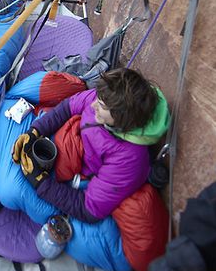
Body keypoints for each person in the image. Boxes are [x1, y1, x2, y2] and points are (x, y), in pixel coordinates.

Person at [12, 68, 170, 223]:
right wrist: (36, 131)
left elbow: (89, 209)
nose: (93, 105)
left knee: (12, 193)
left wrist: (40, 182)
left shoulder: (129, 157)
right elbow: (68, 106)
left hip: (87, 176)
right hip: (76, 144)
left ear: (121, 117)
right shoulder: (106, 97)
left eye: (101, 105)